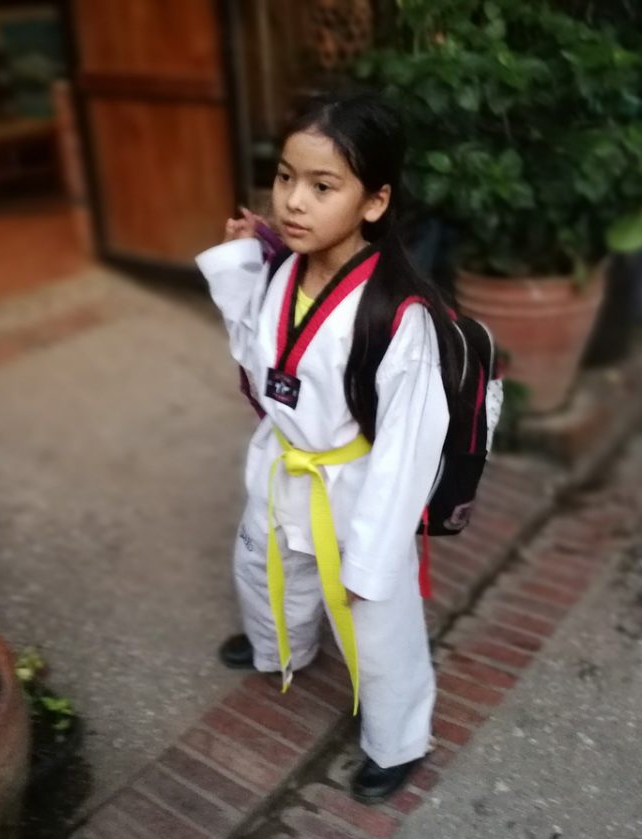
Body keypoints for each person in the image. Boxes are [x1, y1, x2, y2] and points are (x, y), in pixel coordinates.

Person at [195, 92, 463, 803]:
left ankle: (397, 741)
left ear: (375, 202)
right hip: (285, 466)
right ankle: (278, 648)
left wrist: (371, 558)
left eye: (322, 186)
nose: (292, 201)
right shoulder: (284, 270)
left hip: (357, 489)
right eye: (285, 177)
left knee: (377, 626)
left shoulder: (397, 315)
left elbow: (407, 452)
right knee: (263, 569)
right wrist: (242, 263)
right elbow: (260, 360)